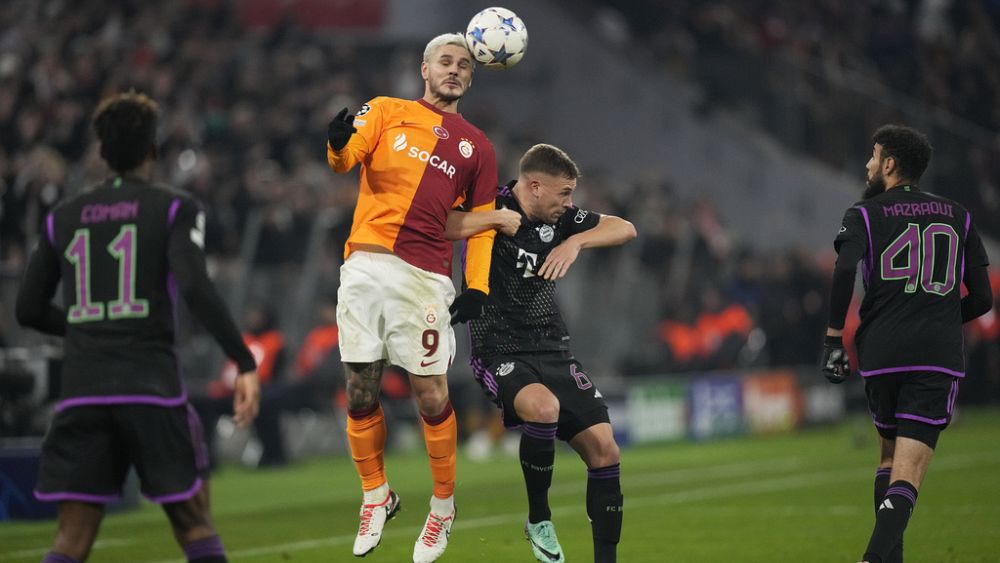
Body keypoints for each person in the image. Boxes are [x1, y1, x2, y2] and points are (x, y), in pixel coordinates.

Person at [14, 91, 260, 563]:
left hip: (83, 392)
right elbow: (195, 286)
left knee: (71, 540)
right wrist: (242, 359)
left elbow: (28, 308)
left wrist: (87, 328)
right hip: (151, 390)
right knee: (195, 525)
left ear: (102, 151)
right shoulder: (173, 207)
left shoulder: (62, 217)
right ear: (153, 147)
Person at [325, 32, 519, 562]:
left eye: (464, 65)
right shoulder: (386, 110)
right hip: (364, 264)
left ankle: (442, 507)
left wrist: (477, 285)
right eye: (445, 61)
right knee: (359, 390)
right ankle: (376, 495)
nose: (454, 70)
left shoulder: (478, 147)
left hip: (425, 275)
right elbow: (346, 159)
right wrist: (337, 143)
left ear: (471, 78)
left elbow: (482, 224)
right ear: (424, 69)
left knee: (430, 394)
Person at [448, 143, 637, 562]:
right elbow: (442, 223)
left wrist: (576, 243)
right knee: (544, 408)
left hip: (553, 349)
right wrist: (492, 220)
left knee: (606, 450)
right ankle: (539, 519)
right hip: (499, 349)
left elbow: (625, 228)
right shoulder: (490, 204)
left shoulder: (562, 220)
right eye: (564, 193)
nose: (569, 203)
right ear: (534, 186)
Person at [821, 125, 992, 563]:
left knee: (888, 457)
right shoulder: (958, 215)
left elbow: (844, 270)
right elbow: (983, 299)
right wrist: (937, 318)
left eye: (874, 155)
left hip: (881, 353)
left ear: (890, 164)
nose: (868, 164)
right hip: (934, 357)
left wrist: (834, 337)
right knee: (909, 472)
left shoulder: (864, 214)